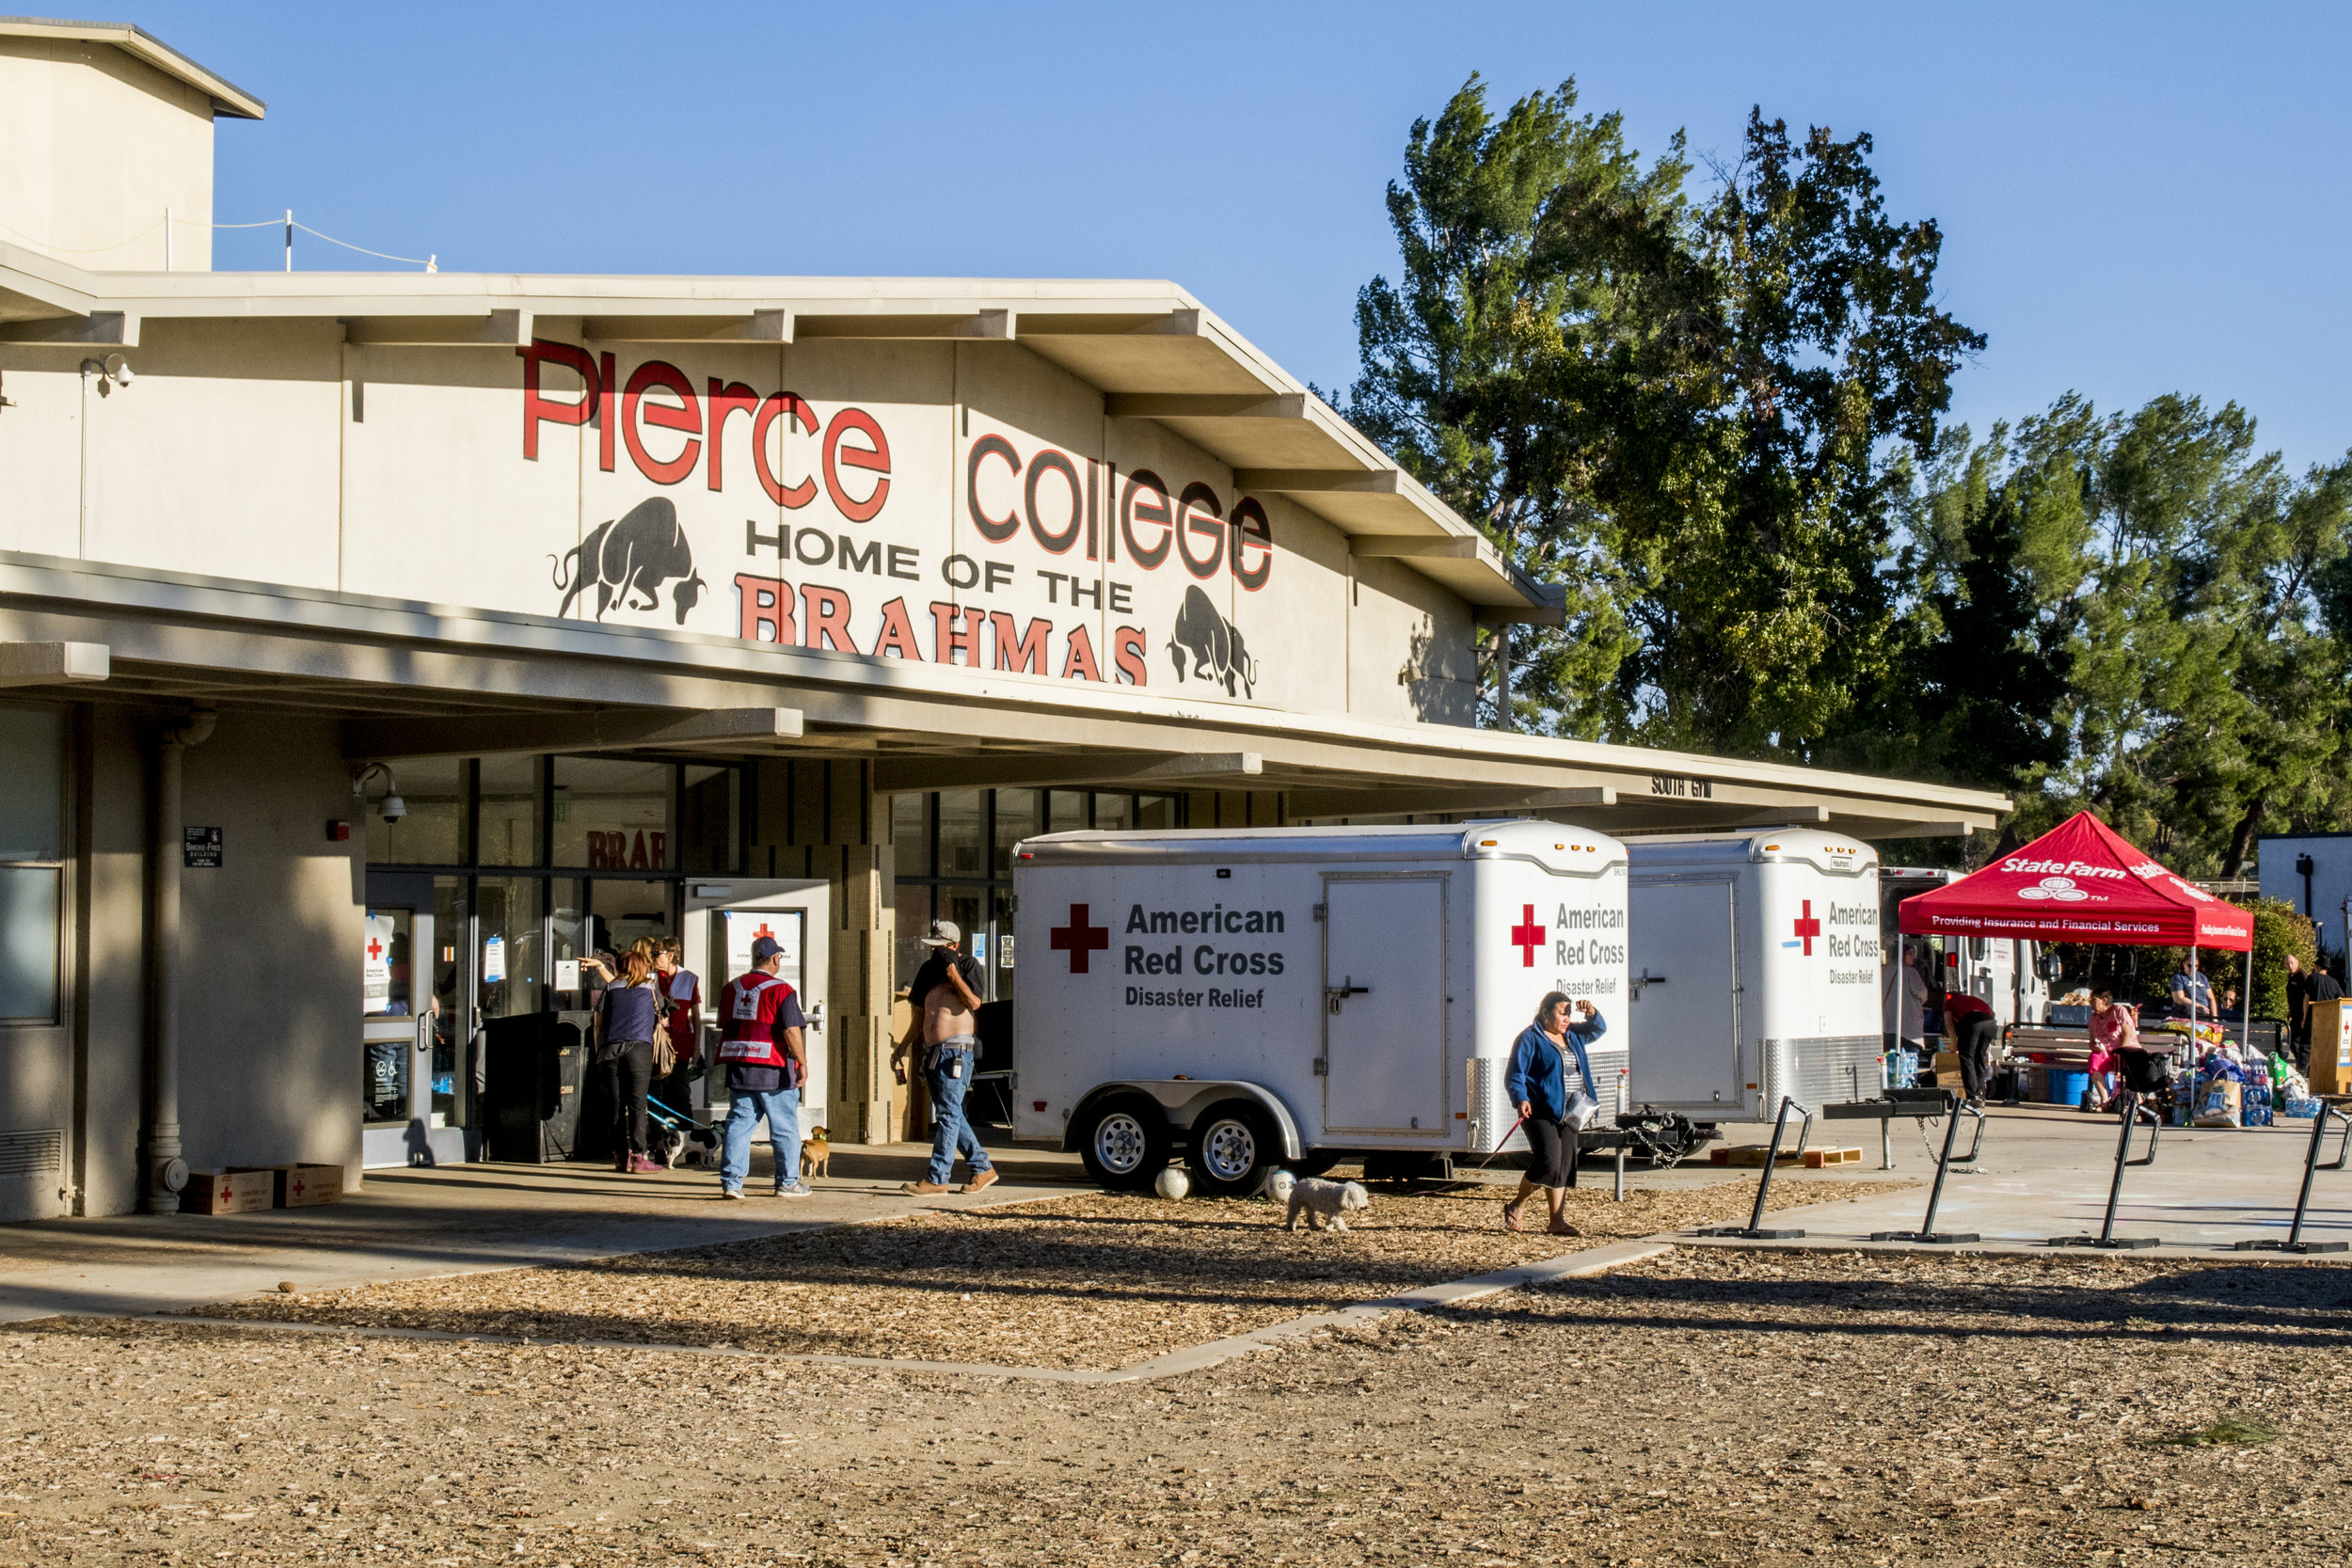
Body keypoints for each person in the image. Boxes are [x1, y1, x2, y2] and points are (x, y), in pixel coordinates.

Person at [891, 920, 994, 1196]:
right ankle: (983, 1168)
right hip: (933, 1053)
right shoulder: (927, 970)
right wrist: (902, 1049)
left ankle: (937, 1178)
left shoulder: (969, 965)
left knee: (948, 1115)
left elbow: (974, 1003)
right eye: (932, 947)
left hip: (957, 1052)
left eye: (941, 948)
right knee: (952, 1114)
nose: (935, 953)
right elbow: (920, 1015)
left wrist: (954, 975)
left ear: (955, 947)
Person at [1500, 991, 1608, 1237]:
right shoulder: (1530, 1038)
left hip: (1573, 1109)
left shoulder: (1573, 1035)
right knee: (1548, 1162)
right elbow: (1516, 1073)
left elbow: (1598, 1029)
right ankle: (1518, 1203)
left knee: (1564, 1166)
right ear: (1546, 1013)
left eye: (1569, 1013)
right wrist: (1521, 1098)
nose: (1566, 1018)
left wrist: (1591, 1013)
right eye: (1562, 1012)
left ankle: (1556, 1221)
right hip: (1541, 1110)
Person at [716, 935, 813, 1200]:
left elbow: (724, 1024)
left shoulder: (730, 988)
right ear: (775, 959)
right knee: (784, 1127)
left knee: (738, 1124)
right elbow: (791, 1029)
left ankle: (731, 1184)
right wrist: (802, 1062)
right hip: (773, 1069)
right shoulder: (781, 990)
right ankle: (788, 1182)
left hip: (739, 1066)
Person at [596, 950, 665, 1174]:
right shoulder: (650, 987)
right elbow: (662, 1013)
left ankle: (619, 1157)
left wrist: (599, 1049)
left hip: (610, 1049)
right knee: (637, 1104)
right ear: (642, 966)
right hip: (639, 1048)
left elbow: (598, 1022)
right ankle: (638, 1158)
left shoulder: (610, 988)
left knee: (615, 1106)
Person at [652, 937, 703, 1112]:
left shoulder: (689, 978)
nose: (653, 957)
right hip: (655, 1044)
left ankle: (685, 1135)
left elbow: (696, 1017)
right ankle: (659, 1135)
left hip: (679, 1045)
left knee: (680, 1092)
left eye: (656, 954)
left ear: (671, 955)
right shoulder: (649, 977)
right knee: (657, 1092)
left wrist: (696, 1048)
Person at [2085, 988, 2137, 1112]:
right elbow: (2091, 1042)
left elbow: (2127, 1035)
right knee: (2094, 1060)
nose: (2090, 1003)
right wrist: (2095, 1047)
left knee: (2130, 1065)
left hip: (2125, 1048)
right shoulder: (2094, 1018)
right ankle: (2105, 1101)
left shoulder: (2119, 1011)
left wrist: (2122, 1052)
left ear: (2104, 1000)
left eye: (2093, 1000)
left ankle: (2139, 1104)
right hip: (2106, 1052)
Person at [1943, 990, 1997, 1106]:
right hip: (1990, 1023)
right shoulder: (1971, 999)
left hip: (1972, 1021)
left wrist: (1954, 1044)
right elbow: (1991, 1013)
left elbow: (1949, 1025)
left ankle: (1972, 1095)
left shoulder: (1949, 1003)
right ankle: (1980, 1094)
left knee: (1966, 1057)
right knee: (1979, 1058)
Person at [1895, 942, 1931, 1084]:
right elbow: (1922, 993)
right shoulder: (1910, 973)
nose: (1913, 957)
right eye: (1910, 953)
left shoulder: (1885, 971)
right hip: (1910, 1029)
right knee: (1909, 1061)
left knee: (1893, 1061)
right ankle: (1908, 1087)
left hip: (1890, 1026)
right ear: (1902, 956)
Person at [2170, 958, 2217, 1022]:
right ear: (2184, 964)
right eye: (2189, 965)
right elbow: (2179, 999)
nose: (2192, 968)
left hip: (2204, 1013)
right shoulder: (2178, 977)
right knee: (2187, 1008)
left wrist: (2215, 1018)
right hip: (2186, 1013)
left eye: (2196, 965)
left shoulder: (2202, 977)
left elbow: (2211, 998)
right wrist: (2198, 1006)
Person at [2286, 953, 2312, 1070]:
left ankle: (2303, 1067)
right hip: (2295, 1014)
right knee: (2293, 1042)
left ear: (2297, 963)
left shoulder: (2302, 977)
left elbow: (2305, 997)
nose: (2289, 965)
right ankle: (2302, 1065)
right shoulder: (2291, 977)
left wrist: (2304, 1017)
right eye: (2287, 963)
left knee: (2296, 1042)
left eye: (2292, 963)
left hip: (2301, 1015)